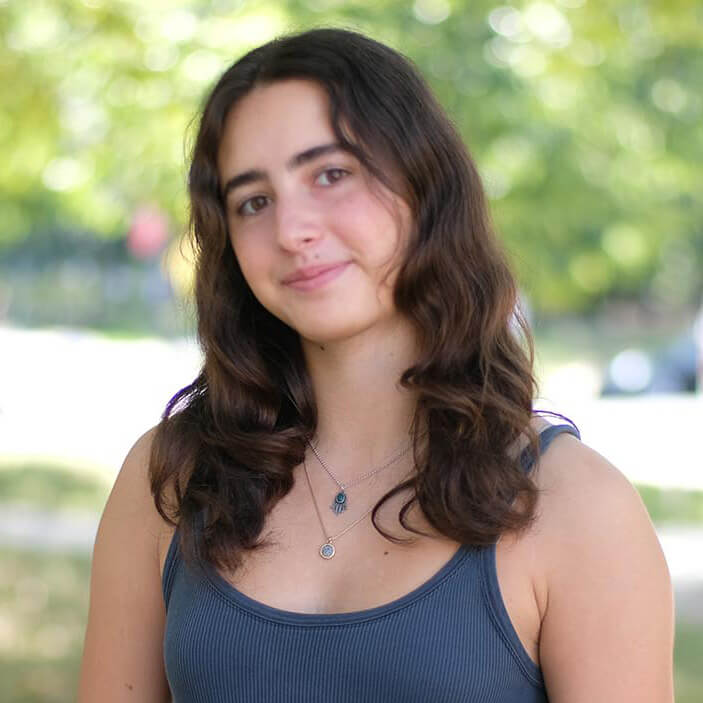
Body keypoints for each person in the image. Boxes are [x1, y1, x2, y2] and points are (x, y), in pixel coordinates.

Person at [78, 28, 674, 702]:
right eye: (253, 200)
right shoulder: (168, 480)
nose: (291, 229)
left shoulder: (577, 506)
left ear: (424, 185)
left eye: (330, 174)